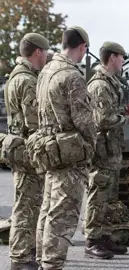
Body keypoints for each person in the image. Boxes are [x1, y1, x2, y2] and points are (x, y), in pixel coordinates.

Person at [31, 26, 96, 270]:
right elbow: (84, 122)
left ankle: (41, 262)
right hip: (69, 156)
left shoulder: (46, 70)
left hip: (49, 150)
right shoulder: (72, 76)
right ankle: (51, 266)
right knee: (63, 217)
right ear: (82, 47)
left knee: (47, 212)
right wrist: (91, 147)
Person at [83, 41, 129, 259]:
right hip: (101, 150)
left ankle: (104, 235)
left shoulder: (110, 83)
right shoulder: (100, 85)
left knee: (108, 196)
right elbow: (102, 119)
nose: (123, 61)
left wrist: (123, 111)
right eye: (122, 57)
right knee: (98, 194)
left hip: (111, 148)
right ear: (113, 57)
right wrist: (128, 118)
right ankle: (92, 239)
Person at [3, 32, 49, 270]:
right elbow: (35, 122)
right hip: (27, 150)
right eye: (46, 52)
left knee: (27, 204)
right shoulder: (28, 81)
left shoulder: (15, 76)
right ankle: (21, 259)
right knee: (26, 207)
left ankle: (25, 254)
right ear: (38, 52)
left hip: (18, 147)